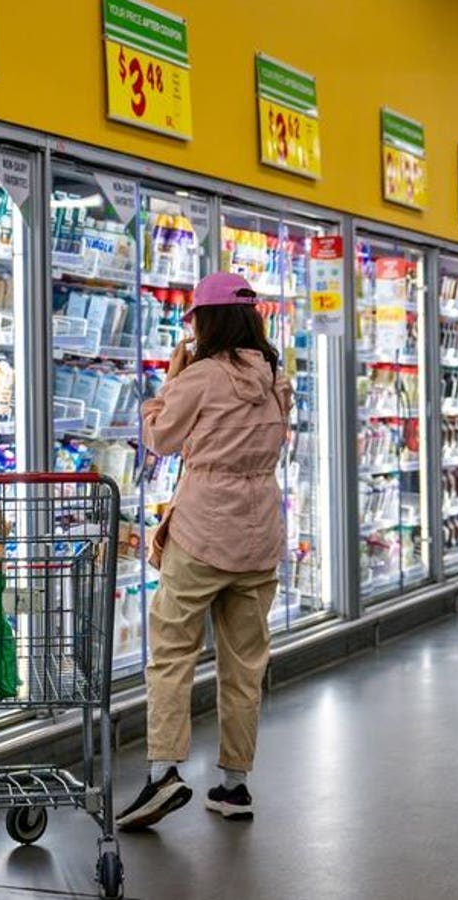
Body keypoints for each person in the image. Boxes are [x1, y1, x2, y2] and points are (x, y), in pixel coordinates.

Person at [116, 272, 292, 830]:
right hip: (259, 532)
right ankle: (235, 785)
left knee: (172, 652)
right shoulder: (275, 377)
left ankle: (164, 771)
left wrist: (167, 387)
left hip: (202, 530)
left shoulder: (200, 377)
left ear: (206, 322)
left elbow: (161, 440)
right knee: (245, 664)